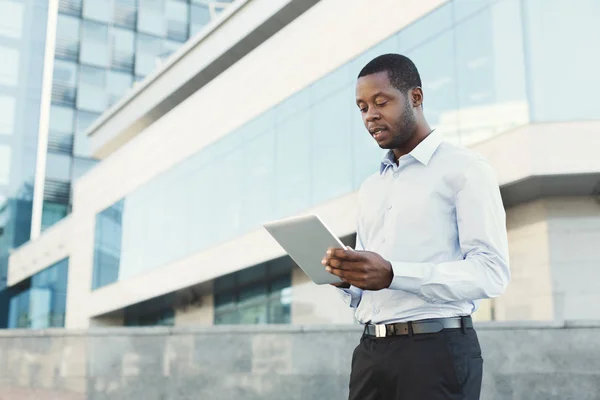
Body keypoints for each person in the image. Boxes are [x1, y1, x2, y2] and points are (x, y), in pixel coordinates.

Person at [321, 53, 510, 400]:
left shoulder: (465, 168)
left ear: (415, 98)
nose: (370, 115)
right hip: (370, 352)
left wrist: (394, 273)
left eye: (381, 102)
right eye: (362, 107)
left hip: (435, 352)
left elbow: (491, 272)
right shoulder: (370, 187)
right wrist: (348, 279)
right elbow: (370, 285)